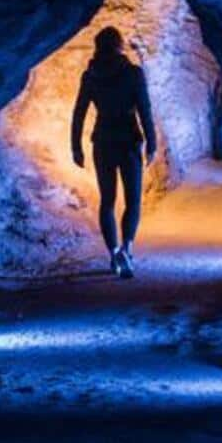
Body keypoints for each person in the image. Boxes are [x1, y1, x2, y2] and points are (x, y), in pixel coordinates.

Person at [70, 27, 158, 279]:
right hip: (129, 141)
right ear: (120, 46)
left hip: (103, 141)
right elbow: (145, 110)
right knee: (132, 200)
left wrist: (76, 146)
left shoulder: (90, 76)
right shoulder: (133, 74)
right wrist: (151, 143)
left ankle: (114, 253)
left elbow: (79, 112)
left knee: (107, 200)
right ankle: (128, 250)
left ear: (98, 47)